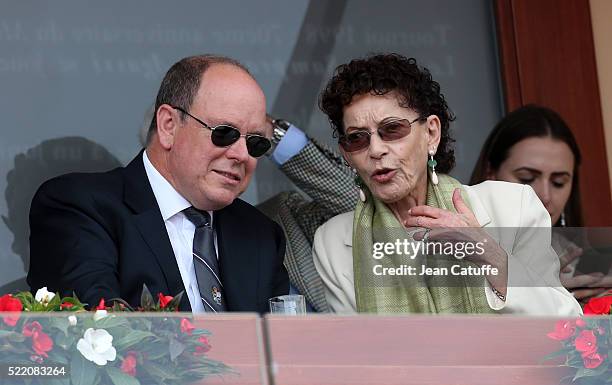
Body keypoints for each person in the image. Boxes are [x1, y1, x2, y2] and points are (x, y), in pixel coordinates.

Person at [312, 53, 581, 315]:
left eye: (392, 129)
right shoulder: (332, 241)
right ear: (347, 154)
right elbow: (355, 355)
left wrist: (486, 251)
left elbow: (568, 326)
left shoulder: (513, 205)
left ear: (431, 133)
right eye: (357, 138)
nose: (376, 150)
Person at [28, 55, 289, 312]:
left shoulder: (261, 235)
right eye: (224, 133)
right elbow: (98, 333)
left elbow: (280, 347)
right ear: (168, 125)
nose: (242, 155)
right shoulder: (80, 208)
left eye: (256, 142)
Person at [470, 104, 611, 301]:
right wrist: (546, 299)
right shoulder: (452, 248)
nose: (545, 195)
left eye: (558, 182)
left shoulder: (588, 266)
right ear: (491, 173)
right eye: (527, 179)